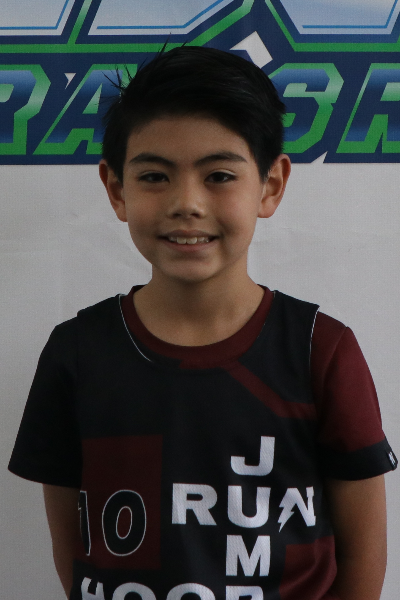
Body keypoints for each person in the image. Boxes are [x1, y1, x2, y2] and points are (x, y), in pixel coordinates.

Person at [8, 46, 397, 600]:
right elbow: (73, 541)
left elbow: (362, 553)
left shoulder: (320, 349)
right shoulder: (76, 352)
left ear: (270, 185)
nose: (187, 203)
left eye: (219, 175)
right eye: (154, 176)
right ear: (116, 189)